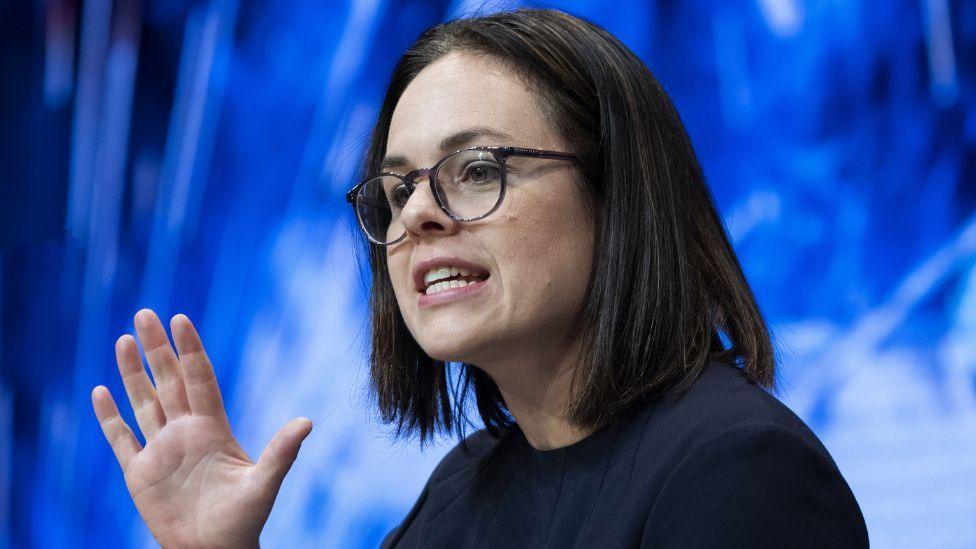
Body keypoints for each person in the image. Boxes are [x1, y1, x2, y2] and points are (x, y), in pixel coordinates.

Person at [91, 8, 869, 548]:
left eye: (475, 169)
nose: (418, 215)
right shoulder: (463, 490)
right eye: (398, 189)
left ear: (618, 193)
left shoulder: (738, 472)